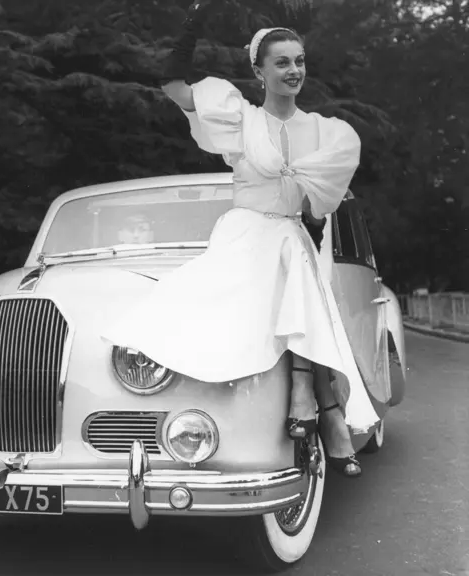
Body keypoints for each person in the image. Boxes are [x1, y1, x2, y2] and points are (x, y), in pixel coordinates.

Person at [102, 2, 380, 477]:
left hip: (291, 235)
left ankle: (305, 399)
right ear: (259, 70)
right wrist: (194, 18)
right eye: (282, 62)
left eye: (300, 60)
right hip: (246, 233)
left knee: (294, 257)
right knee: (274, 273)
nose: (294, 70)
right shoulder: (239, 119)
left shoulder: (324, 132)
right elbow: (172, 85)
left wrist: (311, 213)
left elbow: (317, 208)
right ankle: (320, 407)